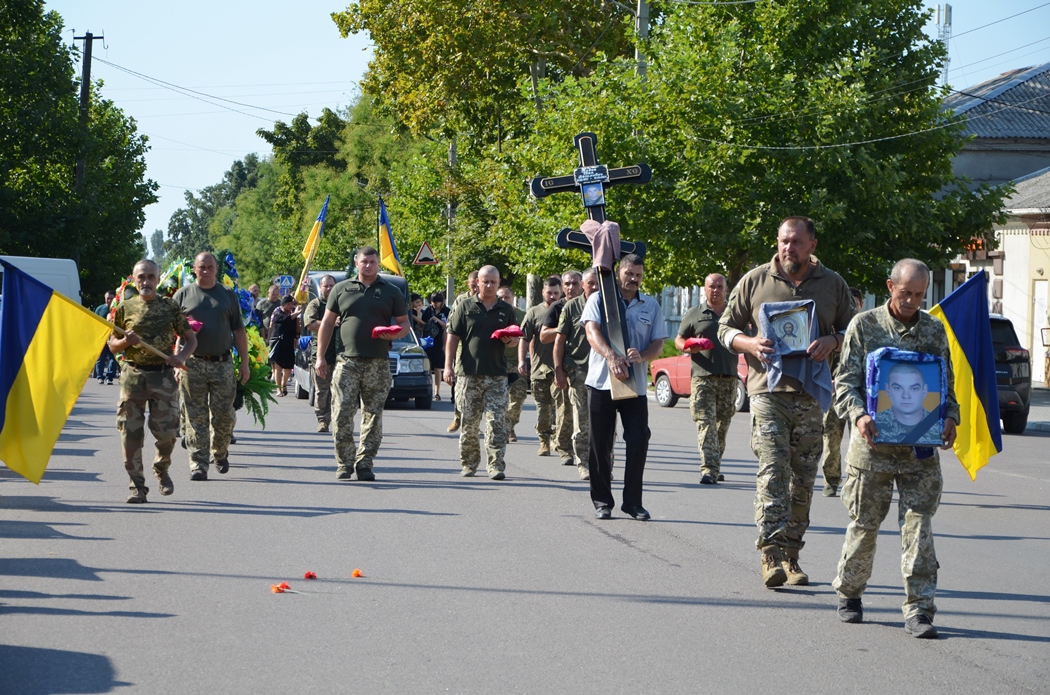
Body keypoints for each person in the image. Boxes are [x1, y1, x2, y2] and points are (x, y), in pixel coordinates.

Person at [718, 216, 855, 587]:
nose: (787, 248)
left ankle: (793, 555)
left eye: (795, 242)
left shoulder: (832, 284)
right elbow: (725, 328)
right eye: (782, 241)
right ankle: (771, 553)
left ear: (812, 245)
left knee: (803, 478)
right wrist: (749, 344)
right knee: (773, 468)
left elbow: (852, 329)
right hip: (766, 390)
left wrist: (833, 341)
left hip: (811, 394)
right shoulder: (755, 280)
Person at [832, 259, 959, 639]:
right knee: (864, 526)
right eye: (906, 294)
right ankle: (850, 593)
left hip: (919, 452)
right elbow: (845, 384)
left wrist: (951, 418)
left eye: (920, 295)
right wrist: (858, 416)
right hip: (871, 451)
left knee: (919, 529)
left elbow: (946, 386)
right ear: (890, 286)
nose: (912, 302)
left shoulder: (934, 330)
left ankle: (919, 609)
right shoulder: (864, 325)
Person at [582, 252, 667, 521]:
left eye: (639, 276)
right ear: (619, 272)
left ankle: (632, 502)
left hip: (636, 386)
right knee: (600, 444)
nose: (634, 279)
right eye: (630, 274)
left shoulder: (650, 305)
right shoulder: (600, 299)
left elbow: (658, 343)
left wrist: (642, 355)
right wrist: (611, 356)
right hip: (601, 383)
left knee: (639, 440)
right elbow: (591, 331)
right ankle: (602, 501)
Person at [315, 247, 409, 482]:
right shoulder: (341, 288)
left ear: (379, 264)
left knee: (373, 415)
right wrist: (320, 357)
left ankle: (365, 463)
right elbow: (326, 324)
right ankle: (344, 462)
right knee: (341, 414)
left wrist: (396, 335)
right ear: (356, 263)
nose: (368, 265)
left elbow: (405, 323)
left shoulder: (392, 292)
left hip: (377, 362)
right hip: (347, 361)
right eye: (364, 261)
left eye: (373, 261)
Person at [109, 260, 197, 503]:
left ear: (158, 280)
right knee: (130, 434)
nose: (145, 281)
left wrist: (180, 356)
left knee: (167, 434)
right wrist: (126, 342)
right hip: (133, 376)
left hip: (163, 376)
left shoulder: (170, 307)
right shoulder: (125, 308)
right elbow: (112, 344)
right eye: (141, 277)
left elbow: (191, 340)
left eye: (150, 277)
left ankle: (161, 468)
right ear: (134, 280)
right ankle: (137, 486)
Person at [173, 252, 250, 481]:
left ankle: (220, 451)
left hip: (222, 364)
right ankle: (198, 463)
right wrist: (177, 361)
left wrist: (244, 362)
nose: (205, 271)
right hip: (193, 364)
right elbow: (176, 333)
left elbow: (238, 330)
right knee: (196, 416)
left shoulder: (227, 295)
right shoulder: (183, 295)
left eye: (210, 267)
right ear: (194, 269)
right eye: (201, 267)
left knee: (224, 416)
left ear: (216, 269)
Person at [444, 265, 520, 479]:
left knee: (497, 422)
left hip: (496, 375)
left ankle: (496, 466)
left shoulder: (506, 310)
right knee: (469, 424)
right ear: (477, 282)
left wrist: (510, 340)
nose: (488, 285)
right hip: (469, 374)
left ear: (498, 284)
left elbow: (515, 339)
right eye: (485, 281)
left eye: (493, 282)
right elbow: (452, 337)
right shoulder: (465, 306)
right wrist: (448, 366)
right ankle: (469, 463)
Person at [675, 273, 737, 485]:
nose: (716, 290)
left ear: (726, 289)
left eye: (720, 286)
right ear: (705, 288)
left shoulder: (735, 313)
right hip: (703, 377)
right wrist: (688, 345)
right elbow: (679, 339)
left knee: (722, 424)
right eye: (712, 286)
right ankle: (708, 468)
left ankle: (714, 464)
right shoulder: (694, 313)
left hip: (729, 377)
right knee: (705, 422)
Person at [550, 269, 597, 480]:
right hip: (579, 370)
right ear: (583, 285)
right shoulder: (572, 306)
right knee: (581, 418)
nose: (595, 287)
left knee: (605, 422)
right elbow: (559, 340)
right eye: (591, 283)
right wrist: (558, 370)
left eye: (598, 283)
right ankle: (584, 463)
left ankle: (604, 463)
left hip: (605, 371)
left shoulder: (611, 304)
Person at [821, 287, 866, 497]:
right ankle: (831, 480)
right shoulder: (833, 332)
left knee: (860, 439)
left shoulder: (867, 329)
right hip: (834, 394)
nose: (851, 308)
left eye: (854, 304)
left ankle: (857, 481)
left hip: (861, 395)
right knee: (831, 439)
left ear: (860, 305)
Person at [539, 271, 583, 467]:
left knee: (585, 413)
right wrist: (563, 329)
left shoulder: (590, 304)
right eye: (567, 284)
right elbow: (543, 335)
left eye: (575, 283)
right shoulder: (558, 307)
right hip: (564, 367)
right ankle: (564, 448)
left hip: (585, 367)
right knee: (565, 410)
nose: (571, 287)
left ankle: (586, 448)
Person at [519, 276, 563, 457]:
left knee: (561, 409)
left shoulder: (565, 309)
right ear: (543, 292)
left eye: (556, 293)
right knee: (543, 409)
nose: (552, 296)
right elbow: (524, 338)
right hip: (540, 369)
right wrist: (522, 360)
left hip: (561, 369)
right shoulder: (534, 313)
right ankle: (544, 441)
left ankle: (559, 440)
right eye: (549, 293)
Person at [446, 270, 481, 432]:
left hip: (480, 349)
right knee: (461, 383)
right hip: (462, 347)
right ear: (468, 284)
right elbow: (450, 325)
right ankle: (457, 416)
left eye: (477, 285)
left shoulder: (486, 300)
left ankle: (474, 422)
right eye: (472, 285)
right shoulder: (461, 300)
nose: (475, 288)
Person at [874, 362, 941, 443]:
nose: (906, 396)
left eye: (914, 389)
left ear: (924, 390)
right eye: (898, 388)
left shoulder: (937, 426)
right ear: (887, 390)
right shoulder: (875, 425)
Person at [303, 275, 337, 432]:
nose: (329, 289)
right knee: (322, 391)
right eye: (326, 286)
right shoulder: (315, 304)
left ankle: (338, 420)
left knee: (339, 390)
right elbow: (309, 323)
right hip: (321, 354)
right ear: (321, 287)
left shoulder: (340, 303)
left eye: (331, 286)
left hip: (340, 353)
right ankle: (323, 421)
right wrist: (329, 323)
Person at [496, 285, 527, 439]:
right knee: (499, 400)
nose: (504, 300)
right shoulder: (493, 315)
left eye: (507, 297)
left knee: (518, 398)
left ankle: (509, 425)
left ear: (513, 298)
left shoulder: (522, 315)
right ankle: (503, 429)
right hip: (497, 363)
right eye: (500, 297)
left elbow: (528, 339)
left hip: (516, 363)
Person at [268, 295, 300, 396]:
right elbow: (286, 319)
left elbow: (296, 328)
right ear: (284, 304)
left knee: (288, 368)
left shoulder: (292, 315)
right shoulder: (278, 313)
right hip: (279, 343)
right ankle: (278, 389)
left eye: (292, 304)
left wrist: (297, 336)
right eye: (288, 304)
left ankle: (283, 384)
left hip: (289, 343)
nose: (291, 306)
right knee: (278, 367)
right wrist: (297, 313)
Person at [421, 292, 450, 401]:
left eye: (437, 302)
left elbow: (448, 326)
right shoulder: (428, 310)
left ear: (441, 302)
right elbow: (423, 323)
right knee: (427, 367)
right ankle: (426, 390)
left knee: (438, 368)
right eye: (433, 302)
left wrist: (436, 319)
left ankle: (437, 392)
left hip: (439, 342)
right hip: (427, 341)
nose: (435, 305)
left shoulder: (446, 311)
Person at [94, 291, 118, 384]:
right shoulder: (100, 309)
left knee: (113, 358)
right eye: (108, 298)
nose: (109, 300)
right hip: (102, 337)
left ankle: (110, 377)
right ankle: (100, 376)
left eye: (111, 298)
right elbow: (95, 322)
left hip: (113, 337)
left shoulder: (117, 309)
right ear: (105, 298)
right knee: (101, 357)